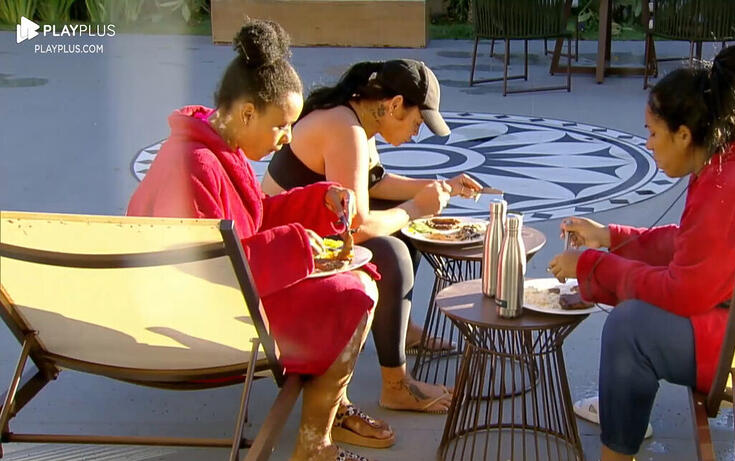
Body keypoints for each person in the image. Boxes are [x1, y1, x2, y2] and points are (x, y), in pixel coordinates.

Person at [548, 45, 735, 461]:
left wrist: (591, 266)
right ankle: (624, 412)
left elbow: (681, 292)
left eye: (652, 132)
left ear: (684, 134)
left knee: (631, 330)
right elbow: (692, 246)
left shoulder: (728, 185)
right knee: (638, 319)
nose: (647, 144)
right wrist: (611, 237)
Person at [127, 20, 391, 461]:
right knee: (356, 291)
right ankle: (316, 445)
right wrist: (303, 245)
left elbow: (249, 219)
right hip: (198, 317)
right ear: (248, 113)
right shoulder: (194, 165)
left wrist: (316, 202)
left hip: (219, 296)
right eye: (281, 126)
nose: (287, 139)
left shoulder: (213, 148)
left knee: (356, 278)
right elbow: (214, 266)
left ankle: (328, 418)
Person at [261, 59, 484, 417]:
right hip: (286, 256)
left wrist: (438, 188)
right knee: (393, 251)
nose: (416, 132)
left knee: (402, 227)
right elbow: (356, 226)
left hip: (300, 234)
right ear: (395, 104)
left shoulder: (356, 118)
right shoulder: (345, 130)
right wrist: (415, 207)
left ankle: (399, 329)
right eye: (417, 121)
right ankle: (396, 386)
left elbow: (373, 182)